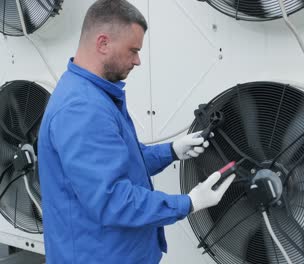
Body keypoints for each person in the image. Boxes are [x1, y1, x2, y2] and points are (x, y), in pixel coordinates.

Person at [37, 0, 235, 263]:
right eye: (133, 51)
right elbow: (113, 201)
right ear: (103, 43)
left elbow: (119, 163)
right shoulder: (82, 109)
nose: (138, 61)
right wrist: (188, 203)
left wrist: (172, 151)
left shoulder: (94, 94)